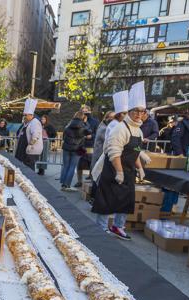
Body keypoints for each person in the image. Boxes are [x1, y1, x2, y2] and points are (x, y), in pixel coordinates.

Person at [91, 82, 147, 240]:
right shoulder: (120, 128)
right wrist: (119, 171)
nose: (138, 114)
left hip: (129, 170)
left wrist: (140, 168)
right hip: (113, 169)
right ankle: (101, 227)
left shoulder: (139, 130)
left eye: (141, 111)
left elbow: (135, 152)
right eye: (136, 110)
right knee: (107, 198)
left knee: (126, 199)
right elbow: (114, 152)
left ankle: (118, 226)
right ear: (129, 112)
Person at [59, 111, 90, 191]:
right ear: (83, 117)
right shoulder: (83, 126)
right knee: (72, 167)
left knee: (66, 165)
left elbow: (64, 136)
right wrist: (86, 122)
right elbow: (89, 132)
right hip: (77, 149)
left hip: (66, 148)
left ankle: (63, 183)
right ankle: (67, 185)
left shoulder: (68, 125)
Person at [75, 105, 98, 188]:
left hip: (90, 145)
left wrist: (91, 136)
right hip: (80, 145)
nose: (84, 113)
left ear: (90, 111)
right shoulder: (78, 120)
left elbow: (97, 133)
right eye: (83, 111)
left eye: (86, 111)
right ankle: (79, 181)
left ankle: (91, 178)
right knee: (79, 163)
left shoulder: (95, 121)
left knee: (91, 163)